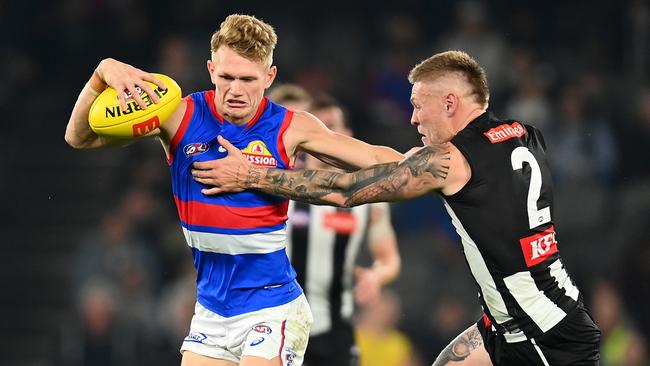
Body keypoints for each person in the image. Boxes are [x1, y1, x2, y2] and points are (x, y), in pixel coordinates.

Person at [191, 50, 602, 365]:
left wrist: (252, 177)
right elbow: (391, 162)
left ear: (450, 102)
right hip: (517, 321)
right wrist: (321, 146)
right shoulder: (523, 135)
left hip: (541, 334)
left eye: (419, 105)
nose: (412, 118)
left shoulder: (449, 161)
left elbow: (347, 192)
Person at [64, 14, 404, 366]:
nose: (236, 90)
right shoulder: (179, 117)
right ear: (211, 70)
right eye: (226, 77)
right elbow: (79, 138)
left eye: (248, 79)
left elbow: (378, 158)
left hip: (272, 310)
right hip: (212, 312)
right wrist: (100, 73)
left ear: (269, 77)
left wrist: (439, 163)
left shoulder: (290, 128)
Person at [277, 92, 402, 366]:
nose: (324, 135)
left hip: (335, 331)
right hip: (279, 326)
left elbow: (388, 258)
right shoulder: (280, 186)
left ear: (346, 134)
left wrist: (376, 276)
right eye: (317, 126)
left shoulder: (369, 197)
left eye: (331, 126)